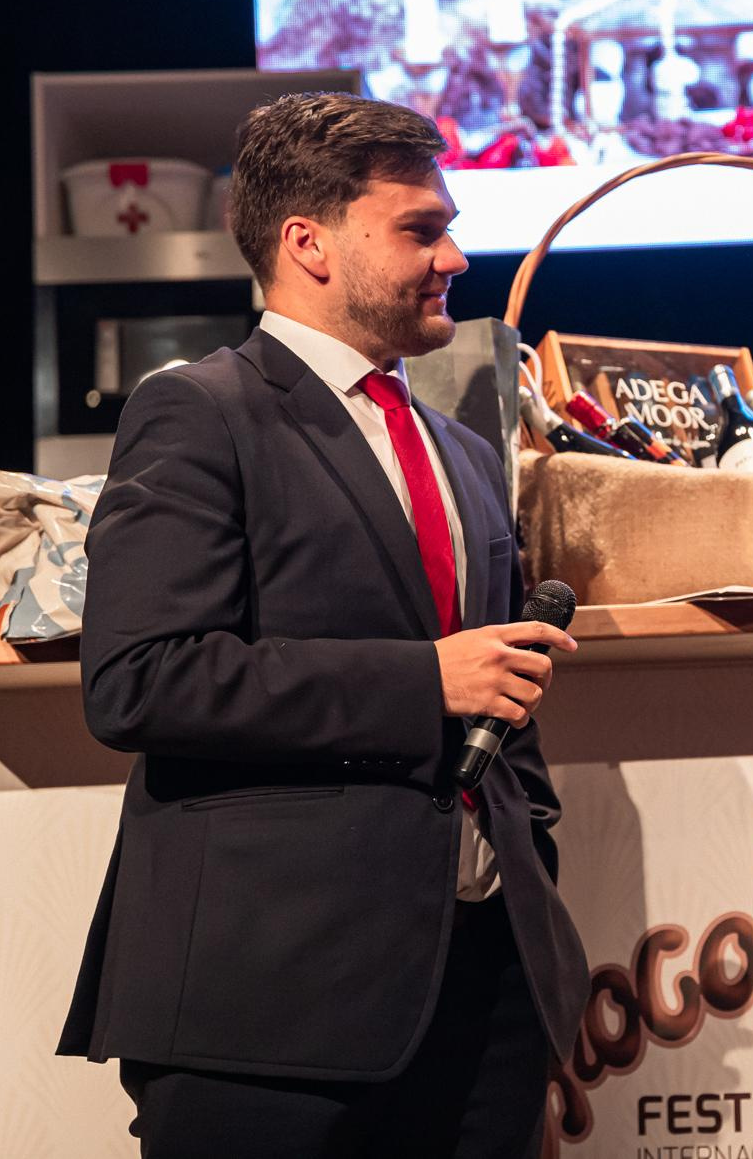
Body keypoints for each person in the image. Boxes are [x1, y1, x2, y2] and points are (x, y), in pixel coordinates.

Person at [57, 92, 589, 1158]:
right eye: (420, 229)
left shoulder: (464, 449)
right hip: (270, 1006)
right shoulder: (196, 412)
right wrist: (421, 682)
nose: (454, 257)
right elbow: (141, 678)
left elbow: (498, 688)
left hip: (482, 991)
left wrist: (524, 845)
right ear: (308, 243)